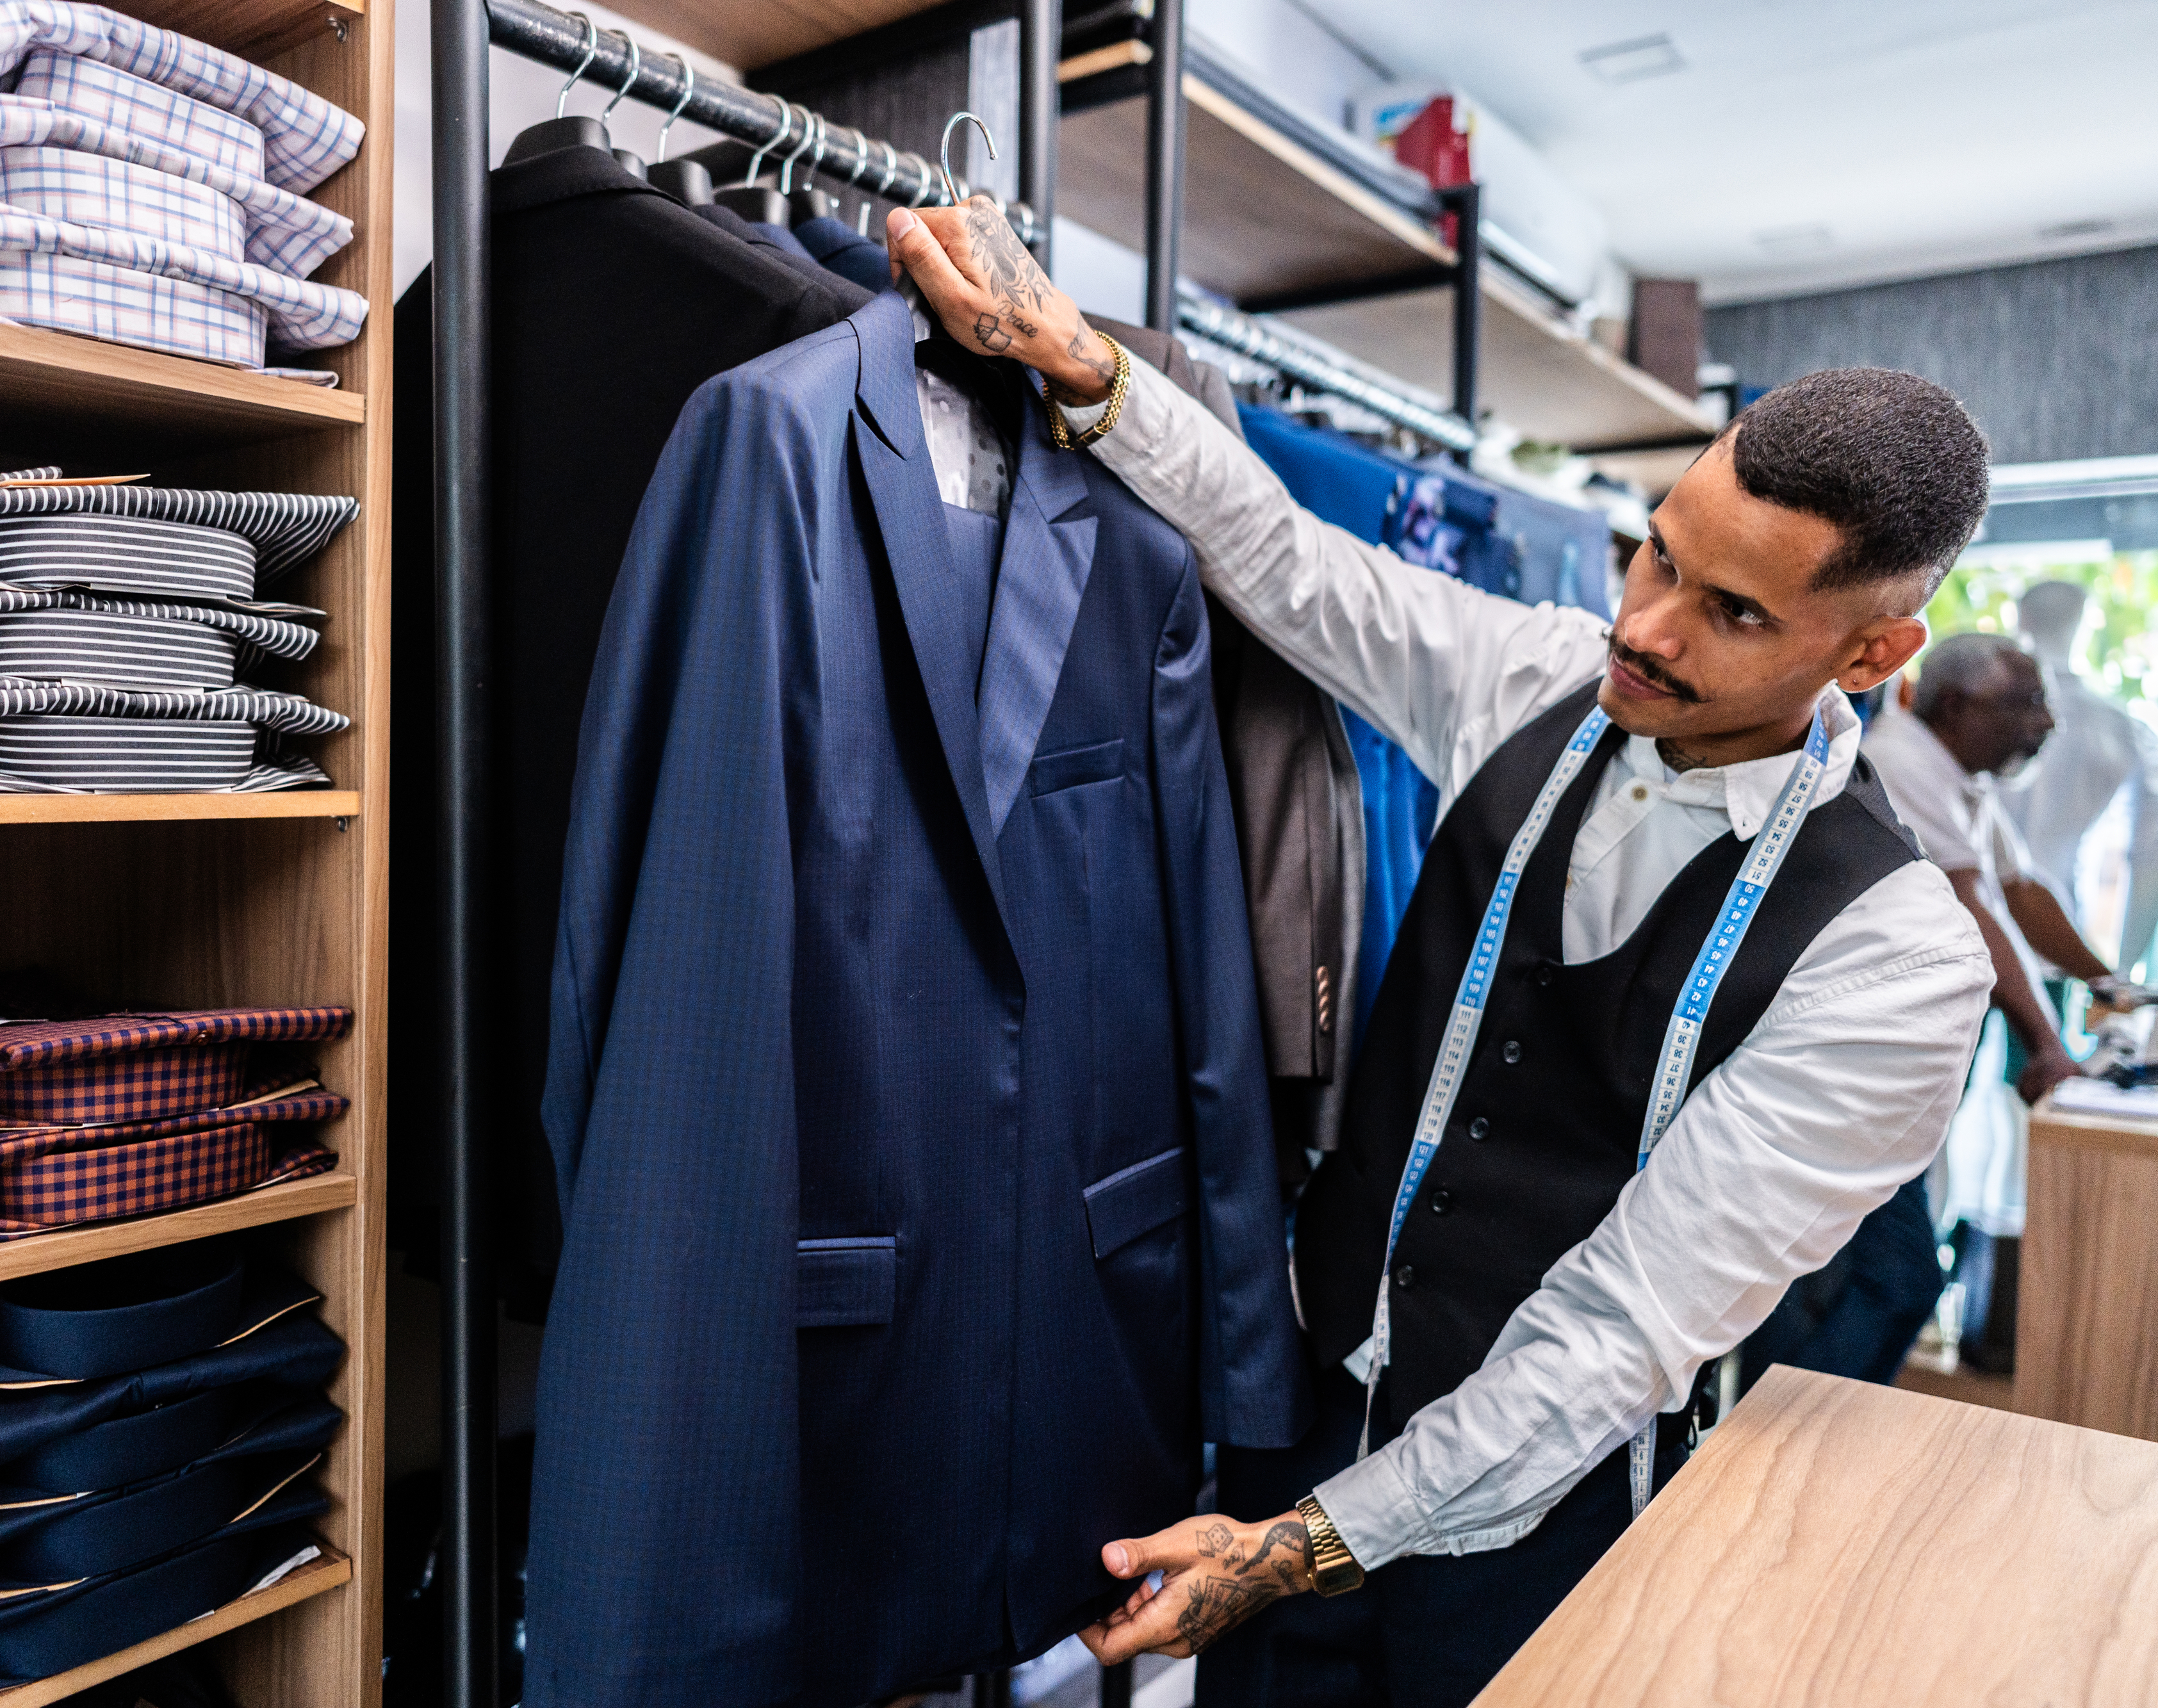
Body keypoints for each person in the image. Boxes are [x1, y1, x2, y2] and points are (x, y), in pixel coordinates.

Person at [886, 201, 1996, 1707]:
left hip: (1542, 1524)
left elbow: (1615, 1333)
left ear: (1868, 655)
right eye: (1654, 556)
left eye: (1731, 614)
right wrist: (1084, 365)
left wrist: (1294, 1550)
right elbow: (1288, 561)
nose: (1645, 629)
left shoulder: (1894, 964)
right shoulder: (1541, 677)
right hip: (1299, 1423)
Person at [1861, 631, 2111, 1374]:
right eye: (2024, 704)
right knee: (1895, 1280)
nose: (2046, 723)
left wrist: (2111, 985)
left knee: (1879, 1279)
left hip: (1907, 1072)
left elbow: (2022, 895)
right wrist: (2046, 1045)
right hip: (1867, 1067)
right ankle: (1781, 1426)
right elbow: (1975, 909)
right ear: (1953, 706)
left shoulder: (1958, 780)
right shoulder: (1900, 763)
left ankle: (1798, 1420)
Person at [2007, 580, 2158, 982]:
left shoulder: (1973, 713)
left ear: (2023, 620)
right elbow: (2150, 856)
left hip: (1975, 925)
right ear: (2084, 625)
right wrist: (2121, 972)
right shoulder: (2121, 727)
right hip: (2065, 932)